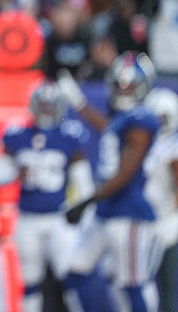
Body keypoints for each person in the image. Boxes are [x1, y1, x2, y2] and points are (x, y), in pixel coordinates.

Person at [57, 52, 162, 312]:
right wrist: (79, 103)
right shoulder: (122, 119)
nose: (123, 90)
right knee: (76, 272)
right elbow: (108, 128)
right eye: (119, 84)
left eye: (129, 85)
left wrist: (87, 201)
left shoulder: (142, 120)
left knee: (131, 285)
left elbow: (125, 173)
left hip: (129, 214)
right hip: (106, 211)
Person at [0, 81, 92, 312]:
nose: (47, 110)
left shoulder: (70, 136)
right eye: (43, 105)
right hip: (28, 217)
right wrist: (14, 170)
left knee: (70, 277)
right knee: (29, 281)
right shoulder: (18, 134)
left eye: (52, 105)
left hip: (58, 217)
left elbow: (84, 183)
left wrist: (83, 215)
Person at [142, 87, 178, 311]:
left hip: (166, 222)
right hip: (141, 221)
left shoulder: (173, 145)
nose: (159, 122)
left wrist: (174, 219)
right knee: (139, 286)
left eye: (163, 117)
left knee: (167, 289)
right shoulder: (140, 140)